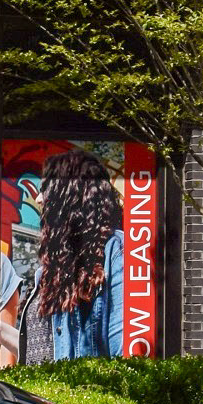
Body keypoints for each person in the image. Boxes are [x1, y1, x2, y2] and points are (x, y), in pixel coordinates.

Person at [12, 148, 125, 363]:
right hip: (35, 395)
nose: (38, 198)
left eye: (46, 188)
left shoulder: (114, 253)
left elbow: (121, 351)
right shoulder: (48, 272)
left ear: (68, 196)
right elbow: (39, 348)